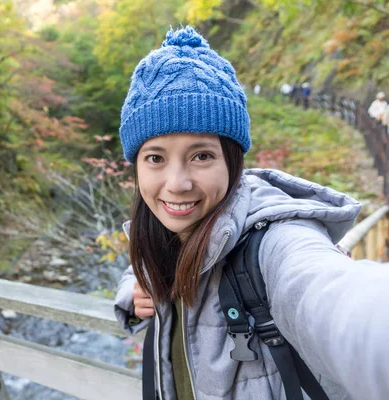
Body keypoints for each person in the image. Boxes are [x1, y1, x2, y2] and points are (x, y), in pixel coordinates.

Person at [114, 25, 389, 400]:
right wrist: (132, 293)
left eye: (202, 156)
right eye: (156, 158)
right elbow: (141, 266)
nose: (177, 183)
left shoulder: (275, 242)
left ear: (232, 161)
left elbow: (334, 296)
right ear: (137, 166)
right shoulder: (165, 229)